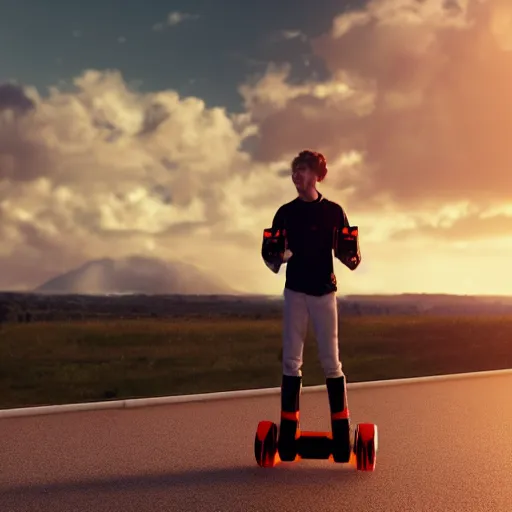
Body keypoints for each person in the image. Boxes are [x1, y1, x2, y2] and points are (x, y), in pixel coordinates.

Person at [261, 149, 361, 462]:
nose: (296, 177)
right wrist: (278, 257)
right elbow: (270, 252)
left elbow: (350, 254)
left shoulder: (333, 211)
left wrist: (350, 254)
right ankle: (288, 437)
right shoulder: (285, 213)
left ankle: (342, 437)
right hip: (295, 293)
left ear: (316, 174)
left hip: (324, 293)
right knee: (291, 361)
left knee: (331, 362)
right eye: (294, 171)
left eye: (302, 171)